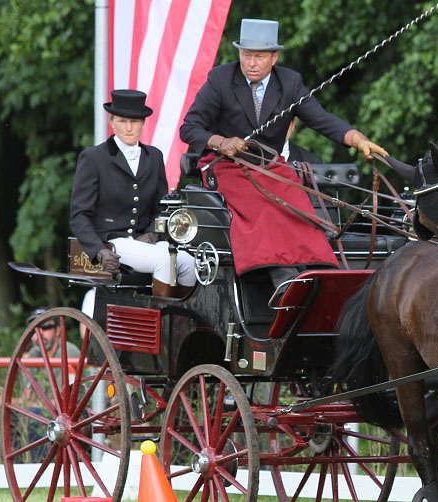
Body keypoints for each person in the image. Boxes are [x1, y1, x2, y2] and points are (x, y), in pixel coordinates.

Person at [179, 18, 389, 293]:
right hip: (227, 166)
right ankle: (285, 279)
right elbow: (189, 128)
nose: (251, 63)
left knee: (300, 210)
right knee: (264, 207)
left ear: (274, 57)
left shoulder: (290, 82)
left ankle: (324, 276)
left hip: (271, 167)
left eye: (259, 56)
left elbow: (321, 119)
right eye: (246, 55)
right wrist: (219, 141)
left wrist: (358, 140)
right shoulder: (220, 79)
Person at [71, 89, 196, 298]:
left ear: (143, 123)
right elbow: (79, 216)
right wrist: (98, 251)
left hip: (145, 241)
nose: (129, 128)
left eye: (135, 122)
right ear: (112, 121)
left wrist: (152, 232)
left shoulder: (154, 156)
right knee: (163, 260)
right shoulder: (93, 158)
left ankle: (184, 324)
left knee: (190, 262)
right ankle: (164, 323)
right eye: (122, 121)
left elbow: (160, 207)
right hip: (113, 242)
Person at [0, 309, 80, 460]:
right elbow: (27, 396)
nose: (39, 334)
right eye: (34, 329)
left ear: (58, 331)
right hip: (41, 412)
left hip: (65, 418)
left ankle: (25, 464)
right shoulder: (34, 354)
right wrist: (6, 402)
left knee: (33, 420)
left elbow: (62, 405)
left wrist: (8, 401)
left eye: (45, 328)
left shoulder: (67, 351)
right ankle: (11, 463)